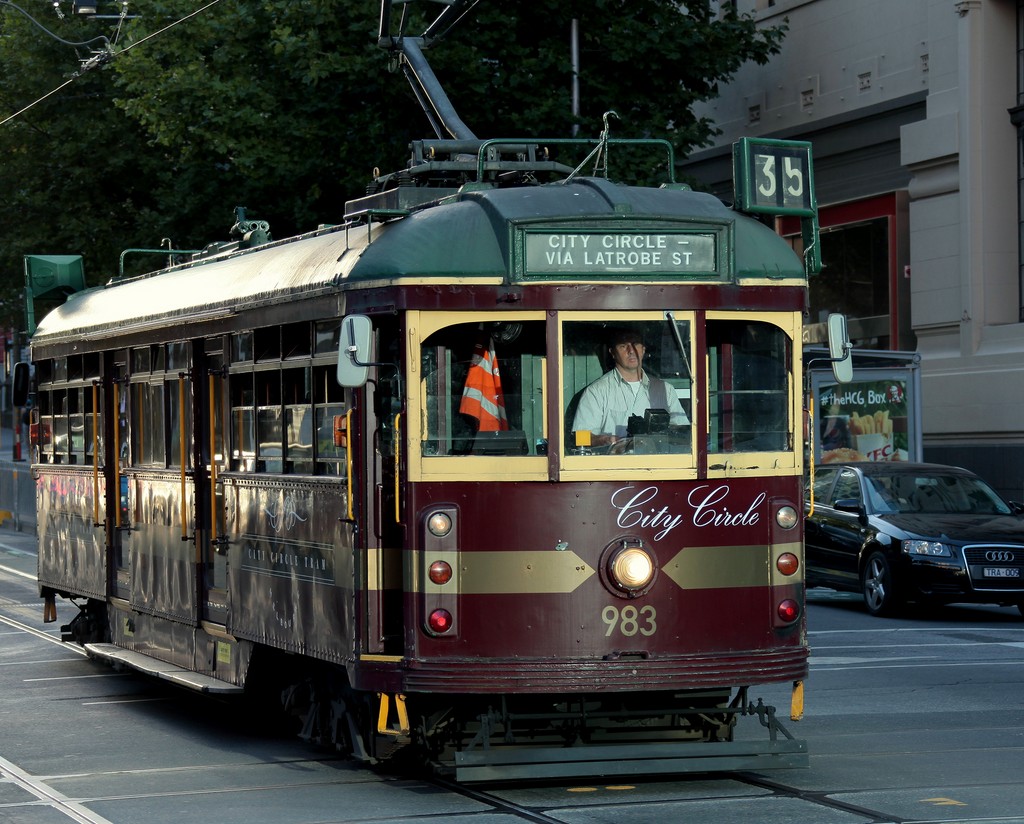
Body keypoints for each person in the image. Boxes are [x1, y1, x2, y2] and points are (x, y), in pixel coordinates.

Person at [571, 328, 688, 448]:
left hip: (657, 463)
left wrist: (661, 439)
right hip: (615, 463)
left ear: (643, 349)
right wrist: (606, 440)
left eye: (635, 344)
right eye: (623, 346)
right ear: (612, 353)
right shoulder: (596, 392)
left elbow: (683, 433)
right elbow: (580, 437)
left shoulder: (665, 390)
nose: (631, 351)